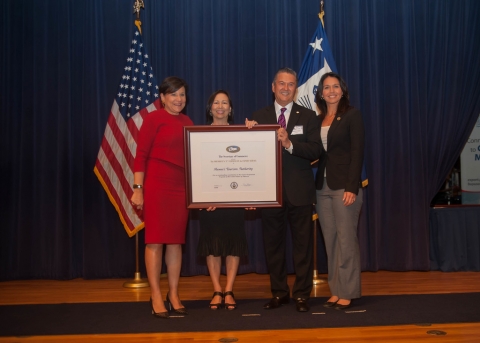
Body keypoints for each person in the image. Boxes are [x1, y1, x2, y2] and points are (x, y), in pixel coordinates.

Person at [246, 67, 322, 312]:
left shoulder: (309, 116)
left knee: (302, 247)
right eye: (281, 83)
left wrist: (290, 143)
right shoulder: (259, 116)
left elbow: (316, 151)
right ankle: (279, 293)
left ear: (295, 88)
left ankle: (302, 295)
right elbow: (250, 157)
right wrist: (248, 135)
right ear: (273, 86)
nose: (286, 88)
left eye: (290, 84)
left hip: (300, 192)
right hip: (270, 194)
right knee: (273, 247)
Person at [131, 76, 193, 318]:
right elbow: (141, 155)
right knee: (155, 241)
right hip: (156, 185)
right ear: (163, 98)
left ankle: (174, 293)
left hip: (180, 187)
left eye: (182, 95)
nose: (179, 99)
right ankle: (156, 294)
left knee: (176, 242)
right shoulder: (153, 118)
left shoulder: (188, 121)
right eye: (174, 94)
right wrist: (138, 188)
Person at [314, 72, 365, 310]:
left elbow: (357, 153)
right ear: (321, 92)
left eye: (335, 87)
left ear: (342, 90)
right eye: (326, 87)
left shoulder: (352, 115)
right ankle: (336, 290)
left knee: (346, 240)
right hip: (322, 187)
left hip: (345, 187)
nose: (331, 91)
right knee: (331, 240)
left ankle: (349, 291)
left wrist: (352, 187)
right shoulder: (319, 119)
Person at [197, 90, 249, 310]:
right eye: (216, 102)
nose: (220, 106)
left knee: (233, 244)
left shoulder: (242, 132)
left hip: (234, 201)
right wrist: (200, 198)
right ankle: (217, 289)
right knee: (213, 245)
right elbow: (197, 169)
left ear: (230, 108)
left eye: (225, 102)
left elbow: (249, 166)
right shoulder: (197, 135)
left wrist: (251, 194)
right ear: (210, 108)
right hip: (209, 203)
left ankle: (229, 289)